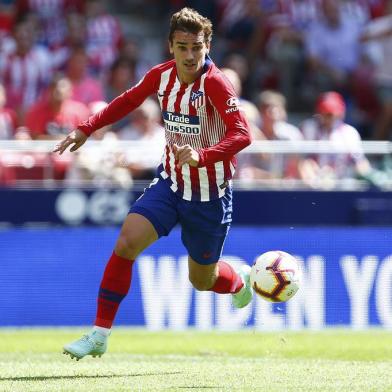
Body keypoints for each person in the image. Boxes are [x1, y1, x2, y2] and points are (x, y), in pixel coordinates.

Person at [54, 7, 253, 361]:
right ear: (170, 47)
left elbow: (242, 134)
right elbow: (128, 101)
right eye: (182, 47)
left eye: (196, 47)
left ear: (207, 45)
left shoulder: (217, 84)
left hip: (209, 196)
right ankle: (99, 334)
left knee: (202, 280)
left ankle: (238, 280)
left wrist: (202, 156)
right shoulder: (160, 76)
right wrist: (86, 127)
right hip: (171, 184)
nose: (190, 56)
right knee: (127, 242)